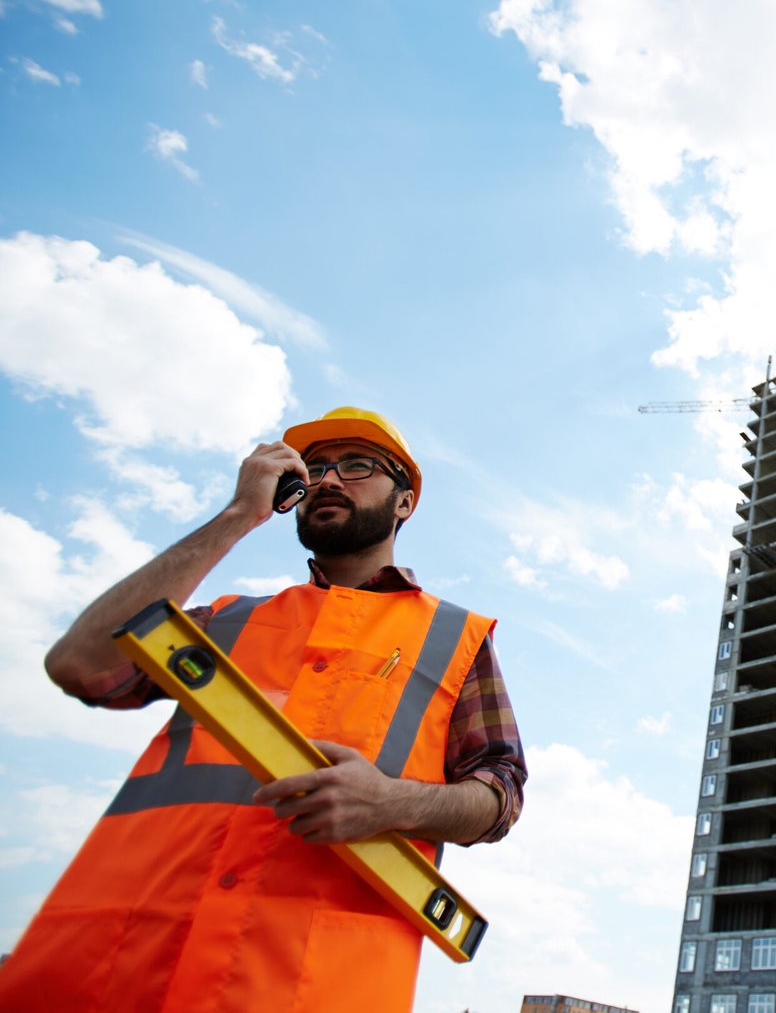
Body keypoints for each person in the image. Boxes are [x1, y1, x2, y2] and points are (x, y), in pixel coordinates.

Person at [0, 407, 526, 1012]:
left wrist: (390, 801)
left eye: (357, 467)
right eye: (316, 469)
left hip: (301, 982)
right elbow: (83, 665)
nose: (329, 480)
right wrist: (235, 517)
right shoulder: (228, 620)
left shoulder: (454, 638)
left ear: (404, 503)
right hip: (125, 970)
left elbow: (499, 796)